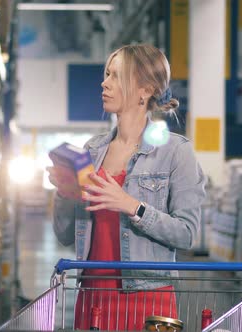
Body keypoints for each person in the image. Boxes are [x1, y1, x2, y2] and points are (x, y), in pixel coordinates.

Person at [48, 44, 206, 330]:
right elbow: (65, 235)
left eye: (116, 76)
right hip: (93, 296)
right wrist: (65, 193)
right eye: (106, 74)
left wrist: (131, 206)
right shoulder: (91, 151)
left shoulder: (175, 152)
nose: (104, 83)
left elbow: (187, 234)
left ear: (144, 91)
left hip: (147, 301)